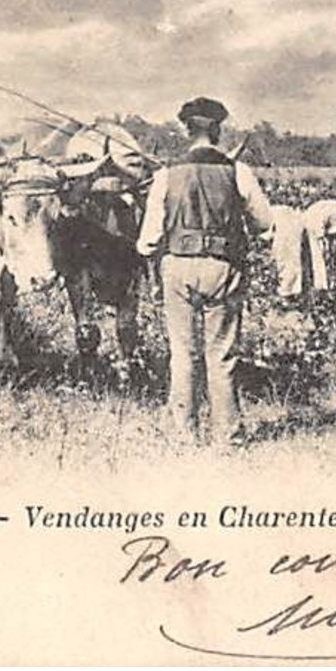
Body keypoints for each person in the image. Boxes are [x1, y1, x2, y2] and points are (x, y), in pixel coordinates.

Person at [136, 97, 272, 445]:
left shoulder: (166, 174)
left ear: (186, 130)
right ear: (217, 129)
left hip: (178, 267)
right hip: (223, 268)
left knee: (182, 354)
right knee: (222, 355)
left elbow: (147, 241)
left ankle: (183, 435)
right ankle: (228, 437)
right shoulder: (237, 171)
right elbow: (265, 223)